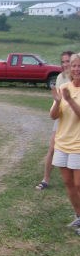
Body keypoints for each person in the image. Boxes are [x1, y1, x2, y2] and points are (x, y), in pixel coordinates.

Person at [50, 53, 80, 231]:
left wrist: (69, 100)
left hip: (78, 145)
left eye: (79, 66)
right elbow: (53, 116)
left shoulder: (69, 93)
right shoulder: (64, 87)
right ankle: (78, 216)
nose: (77, 69)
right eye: (74, 66)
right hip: (62, 143)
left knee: (78, 184)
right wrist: (57, 102)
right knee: (68, 183)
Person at [36, 50, 74, 190]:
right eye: (62, 62)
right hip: (62, 118)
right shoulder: (60, 78)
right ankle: (45, 179)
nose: (65, 64)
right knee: (52, 148)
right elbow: (58, 100)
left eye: (68, 61)